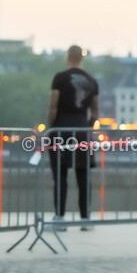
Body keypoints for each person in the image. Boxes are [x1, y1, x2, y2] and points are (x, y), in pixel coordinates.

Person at [45, 45, 99, 231]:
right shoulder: (92, 81)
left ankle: (60, 219)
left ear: (68, 57)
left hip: (61, 131)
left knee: (60, 175)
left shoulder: (60, 78)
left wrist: (50, 129)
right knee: (83, 177)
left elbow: (53, 106)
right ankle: (85, 219)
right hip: (82, 131)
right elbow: (95, 111)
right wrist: (87, 128)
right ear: (81, 58)